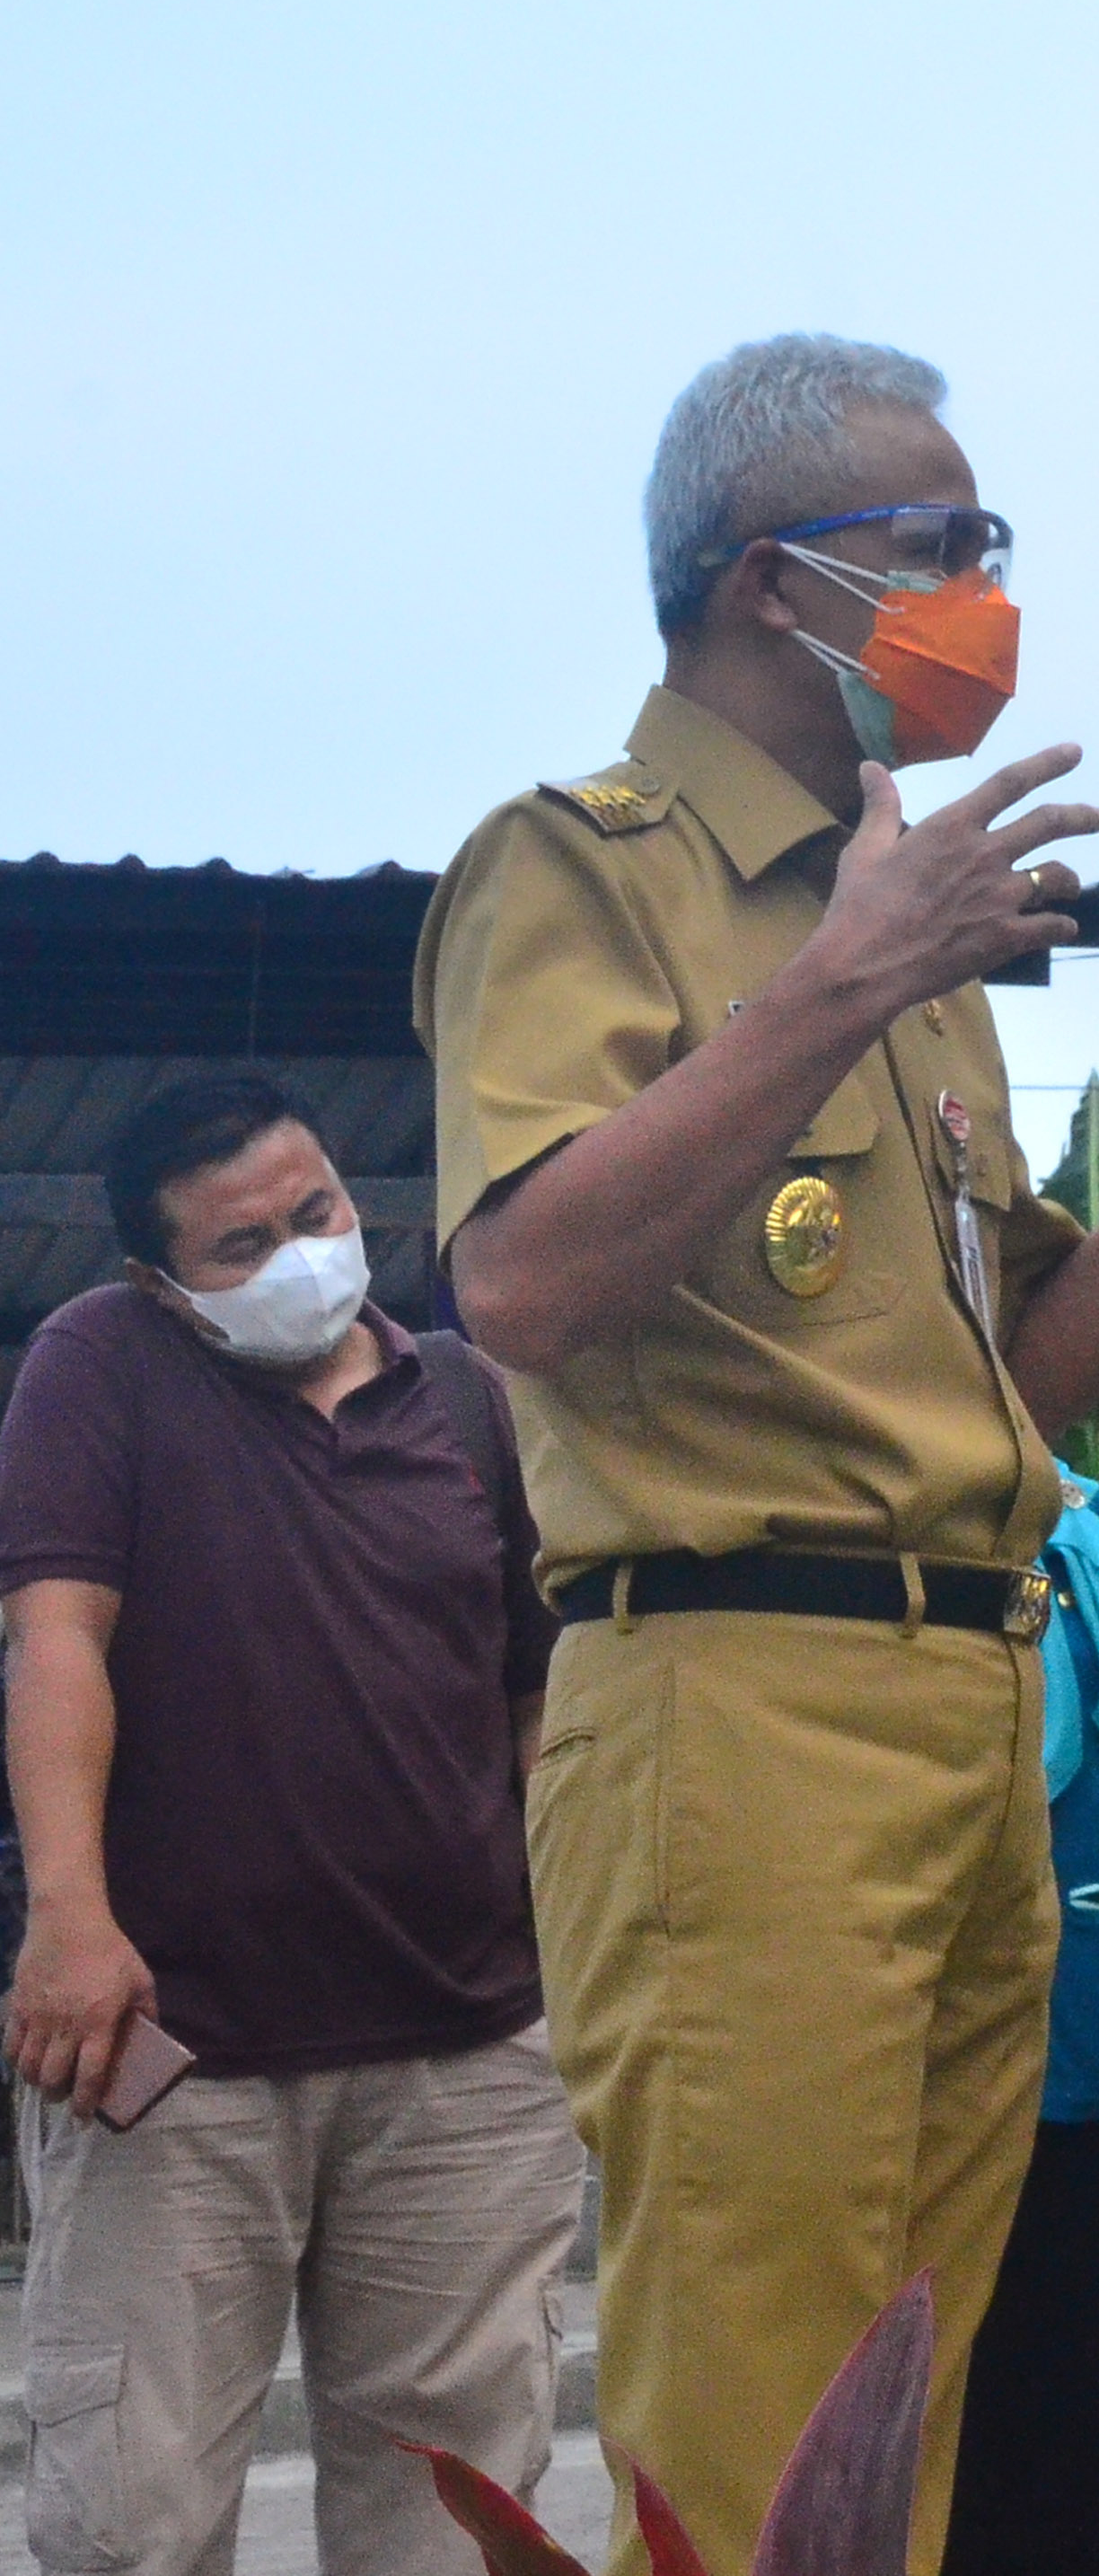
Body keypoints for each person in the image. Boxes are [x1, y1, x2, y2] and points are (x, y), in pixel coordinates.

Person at [417, 332, 1099, 2571]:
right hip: (732, 1702)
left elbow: (1007, 1390)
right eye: (939, 544)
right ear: (768, 582)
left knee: (907, 2413)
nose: (987, 595)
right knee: (753, 2420)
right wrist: (834, 982)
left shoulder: (905, 923)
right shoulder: (583, 872)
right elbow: (525, 1288)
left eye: (989, 545)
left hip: (968, 1700)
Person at [0, 1078, 586, 2576]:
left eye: (314, 1211)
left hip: (461, 2065)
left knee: (453, 2532)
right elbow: (54, 1636)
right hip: (173, 2063)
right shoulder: (104, 1365)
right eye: (238, 1243)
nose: (298, 1254)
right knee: (129, 2526)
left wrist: (570, 1941)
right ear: (156, 1279)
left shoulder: (466, 1395)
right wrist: (70, 1915)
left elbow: (539, 1703)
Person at [947, 1461, 1099, 2576]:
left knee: (1088, 2376)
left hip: (1086, 2003)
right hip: (1029, 1973)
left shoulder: (1081, 1528)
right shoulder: (1084, 1522)